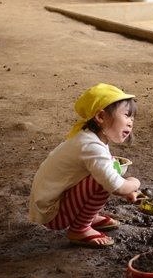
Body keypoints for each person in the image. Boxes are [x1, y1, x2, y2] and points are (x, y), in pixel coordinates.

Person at [29, 83, 142, 248]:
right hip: (52, 214)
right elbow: (115, 186)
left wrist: (128, 191)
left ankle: (89, 217)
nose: (131, 122)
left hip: (57, 202)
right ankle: (80, 228)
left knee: (105, 170)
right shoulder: (91, 146)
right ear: (101, 117)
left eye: (132, 118)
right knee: (100, 180)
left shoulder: (92, 139)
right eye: (126, 115)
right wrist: (133, 183)